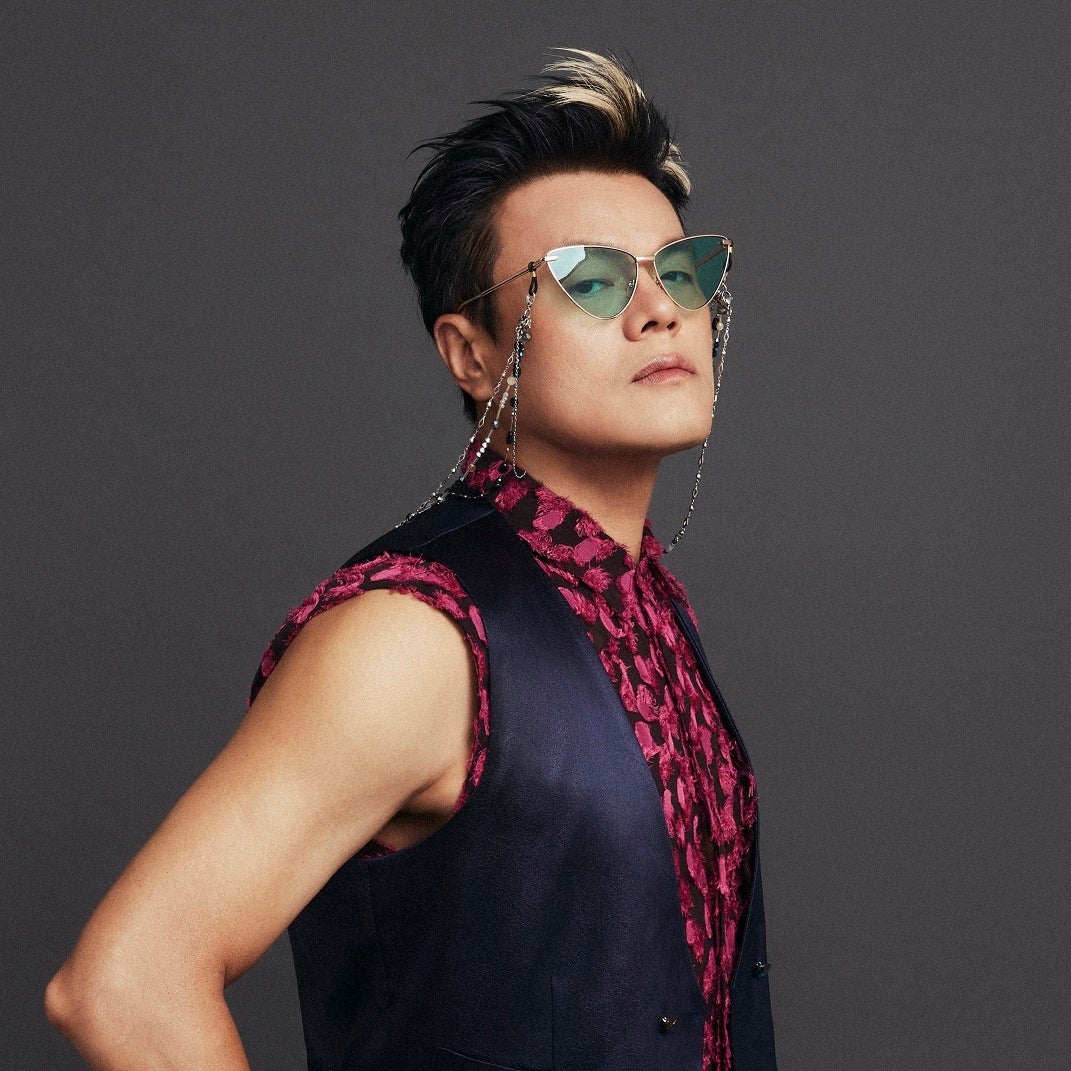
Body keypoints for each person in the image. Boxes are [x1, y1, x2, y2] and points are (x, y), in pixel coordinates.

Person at [45, 49, 776, 1071]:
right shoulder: (415, 633)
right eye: (591, 277)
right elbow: (124, 985)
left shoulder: (647, 600)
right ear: (471, 353)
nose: (660, 309)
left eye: (682, 269)